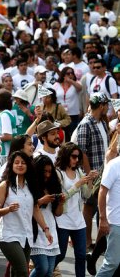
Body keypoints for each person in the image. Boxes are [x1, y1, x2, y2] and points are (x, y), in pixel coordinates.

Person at [0, 151, 53, 277]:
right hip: (8, 235)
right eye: (16, 163)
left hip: (26, 235)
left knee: (16, 272)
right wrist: (8, 209)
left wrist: (46, 229)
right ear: (11, 165)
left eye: (23, 163)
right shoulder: (5, 186)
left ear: (28, 166)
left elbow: (36, 209)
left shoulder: (30, 186)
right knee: (22, 271)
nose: (20, 165)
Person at [54, 142, 97, 277]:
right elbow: (61, 198)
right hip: (62, 220)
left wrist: (90, 180)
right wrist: (77, 184)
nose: (76, 160)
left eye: (78, 157)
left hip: (78, 221)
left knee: (80, 256)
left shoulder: (78, 171)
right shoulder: (58, 173)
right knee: (60, 255)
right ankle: (44, 271)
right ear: (66, 156)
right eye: (73, 156)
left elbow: (86, 195)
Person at [77, 92, 109, 249]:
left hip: (104, 172)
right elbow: (82, 152)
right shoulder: (85, 124)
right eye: (106, 105)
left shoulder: (101, 122)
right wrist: (89, 176)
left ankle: (100, 244)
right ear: (102, 106)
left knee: (103, 207)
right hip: (92, 174)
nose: (108, 108)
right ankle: (87, 242)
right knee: (89, 208)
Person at [30, 155, 64, 277]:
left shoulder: (52, 185)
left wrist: (60, 202)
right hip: (35, 228)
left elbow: (58, 213)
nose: (47, 175)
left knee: (49, 271)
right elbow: (28, 207)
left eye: (50, 171)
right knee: (42, 268)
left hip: (50, 228)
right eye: (44, 171)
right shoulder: (30, 185)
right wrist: (41, 201)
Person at [96, 154, 120, 276]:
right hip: (116, 222)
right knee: (112, 263)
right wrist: (102, 218)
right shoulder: (114, 165)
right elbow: (102, 192)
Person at [53, 66, 82, 139]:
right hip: (61, 114)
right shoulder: (56, 85)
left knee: (72, 135)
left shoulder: (76, 83)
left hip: (73, 114)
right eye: (68, 73)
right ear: (63, 75)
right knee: (62, 135)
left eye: (72, 73)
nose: (70, 75)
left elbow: (80, 88)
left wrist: (71, 81)